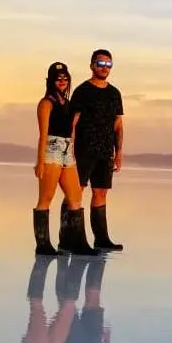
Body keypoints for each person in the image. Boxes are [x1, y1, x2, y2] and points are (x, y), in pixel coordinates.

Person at [59, 49, 124, 252]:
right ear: (92, 65)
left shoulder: (114, 93)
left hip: (105, 152)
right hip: (83, 150)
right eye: (100, 64)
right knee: (75, 192)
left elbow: (118, 125)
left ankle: (101, 238)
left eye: (108, 65)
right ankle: (70, 238)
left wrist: (119, 153)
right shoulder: (82, 91)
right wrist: (69, 149)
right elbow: (73, 122)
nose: (104, 68)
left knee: (101, 192)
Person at [32, 62, 96, 256]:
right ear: (51, 80)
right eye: (58, 78)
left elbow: (73, 131)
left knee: (75, 196)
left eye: (65, 78)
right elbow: (43, 134)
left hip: (68, 151)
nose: (62, 81)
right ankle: (43, 244)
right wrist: (40, 161)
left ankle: (79, 243)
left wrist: (74, 152)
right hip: (51, 149)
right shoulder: (46, 103)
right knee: (46, 197)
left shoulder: (68, 104)